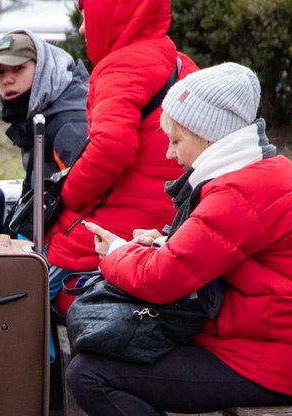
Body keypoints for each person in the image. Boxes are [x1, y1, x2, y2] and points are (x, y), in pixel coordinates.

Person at [68, 63, 292, 415]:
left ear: (207, 136)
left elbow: (160, 279)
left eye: (176, 140)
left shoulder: (240, 192)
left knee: (91, 374)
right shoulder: (255, 174)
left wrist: (115, 251)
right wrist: (161, 244)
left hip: (275, 364)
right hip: (277, 351)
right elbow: (204, 257)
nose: (169, 154)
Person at [46, 0, 200, 317]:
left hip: (114, 235)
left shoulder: (121, 67)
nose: (82, 29)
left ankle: (38, 366)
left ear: (111, 15)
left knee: (20, 287)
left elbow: (111, 147)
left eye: (87, 17)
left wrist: (68, 194)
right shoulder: (182, 63)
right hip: (166, 228)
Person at [0, 29, 88, 199]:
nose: (7, 80)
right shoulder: (37, 116)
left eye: (18, 68)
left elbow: (86, 199)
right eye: (0, 72)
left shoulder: (68, 124)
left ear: (43, 69)